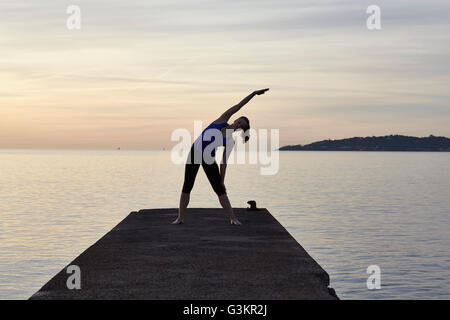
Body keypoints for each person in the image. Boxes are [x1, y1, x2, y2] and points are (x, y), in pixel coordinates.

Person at [172, 88, 269, 225]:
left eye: (242, 125)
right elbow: (239, 105)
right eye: (239, 121)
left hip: (208, 158)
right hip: (195, 152)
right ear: (236, 119)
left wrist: (222, 181)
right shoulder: (222, 120)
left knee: (220, 189)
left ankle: (233, 218)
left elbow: (224, 162)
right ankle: (180, 218)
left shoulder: (230, 141)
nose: (239, 124)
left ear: (241, 129)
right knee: (187, 185)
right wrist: (253, 94)